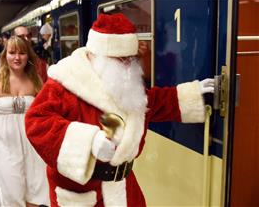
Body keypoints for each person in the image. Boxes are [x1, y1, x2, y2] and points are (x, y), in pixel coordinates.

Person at [25, 13, 214, 206]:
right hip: (81, 192)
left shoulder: (124, 81)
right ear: (96, 55)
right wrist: (90, 142)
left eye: (129, 59)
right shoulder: (65, 81)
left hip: (122, 188)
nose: (127, 66)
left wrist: (193, 93)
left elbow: (152, 102)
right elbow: (37, 121)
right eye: (120, 59)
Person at [0, 36, 49, 206]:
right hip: (3, 142)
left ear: (28, 56)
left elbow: (44, 111)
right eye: (12, 52)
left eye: (22, 53)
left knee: (36, 186)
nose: (17, 57)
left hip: (32, 141)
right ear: (4, 54)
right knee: (11, 187)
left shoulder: (35, 79)